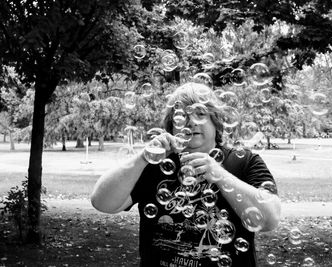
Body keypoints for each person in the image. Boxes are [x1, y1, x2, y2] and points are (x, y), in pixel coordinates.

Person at [91, 82, 281, 267]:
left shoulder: (244, 162)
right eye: (182, 116)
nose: (192, 122)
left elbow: (270, 219)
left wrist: (218, 174)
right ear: (172, 126)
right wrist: (142, 158)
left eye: (200, 113)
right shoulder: (153, 165)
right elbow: (101, 202)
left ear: (216, 121)